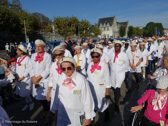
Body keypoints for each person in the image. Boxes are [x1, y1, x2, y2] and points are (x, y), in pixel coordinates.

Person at [53, 57, 95, 126]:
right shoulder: (61, 78)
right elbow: (57, 96)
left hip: (79, 114)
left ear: (74, 67)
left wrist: (88, 117)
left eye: (69, 68)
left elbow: (87, 99)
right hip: (63, 114)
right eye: (63, 69)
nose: (66, 71)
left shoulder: (81, 79)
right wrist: (56, 111)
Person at [29, 39, 52, 124]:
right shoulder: (33, 55)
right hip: (35, 80)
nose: (38, 48)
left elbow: (48, 69)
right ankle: (46, 112)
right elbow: (30, 67)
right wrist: (33, 77)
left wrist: (38, 78)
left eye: (40, 46)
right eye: (36, 46)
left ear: (43, 47)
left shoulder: (47, 56)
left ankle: (48, 114)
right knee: (39, 98)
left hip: (43, 80)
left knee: (44, 99)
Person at [87, 48, 111, 121]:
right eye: (93, 56)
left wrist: (107, 91)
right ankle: (92, 118)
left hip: (100, 88)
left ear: (99, 56)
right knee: (92, 103)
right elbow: (88, 76)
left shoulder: (103, 65)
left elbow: (107, 79)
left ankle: (106, 113)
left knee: (102, 103)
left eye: (96, 56)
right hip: (91, 88)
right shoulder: (90, 65)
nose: (94, 58)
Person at [109, 40, 129, 112]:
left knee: (117, 87)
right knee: (114, 87)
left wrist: (124, 72)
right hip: (113, 74)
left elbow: (126, 65)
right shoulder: (111, 54)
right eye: (115, 46)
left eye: (118, 46)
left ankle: (116, 105)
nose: (116, 47)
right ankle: (118, 96)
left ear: (120, 47)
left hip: (120, 74)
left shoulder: (124, 55)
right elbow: (110, 64)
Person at [15, 45, 34, 111]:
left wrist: (22, 78)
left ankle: (31, 103)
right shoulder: (18, 58)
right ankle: (27, 103)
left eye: (18, 50)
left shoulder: (27, 59)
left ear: (22, 51)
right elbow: (17, 68)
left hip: (25, 79)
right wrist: (16, 76)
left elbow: (28, 70)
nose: (16, 51)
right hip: (19, 78)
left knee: (25, 92)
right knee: (23, 93)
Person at [46, 45, 64, 114]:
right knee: (55, 111)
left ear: (63, 53)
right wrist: (48, 92)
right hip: (55, 90)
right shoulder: (53, 65)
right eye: (56, 55)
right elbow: (51, 78)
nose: (58, 56)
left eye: (59, 54)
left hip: (64, 91)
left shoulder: (68, 64)